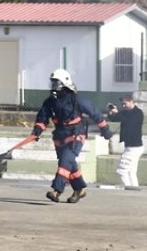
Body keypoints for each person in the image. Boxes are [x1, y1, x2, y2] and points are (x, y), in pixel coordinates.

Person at [31, 68, 112, 203]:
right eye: (52, 83)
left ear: (64, 83)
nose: (53, 86)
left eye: (56, 83)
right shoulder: (50, 101)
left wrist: (105, 129)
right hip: (60, 135)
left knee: (65, 161)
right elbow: (43, 116)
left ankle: (57, 190)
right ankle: (80, 189)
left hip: (76, 134)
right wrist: (38, 130)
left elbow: (94, 112)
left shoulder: (76, 99)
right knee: (69, 164)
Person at [107, 94, 145, 189]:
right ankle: (134, 189)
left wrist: (118, 112)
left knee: (121, 171)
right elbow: (114, 119)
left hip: (134, 147)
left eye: (125, 103)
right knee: (131, 171)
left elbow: (128, 121)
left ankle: (128, 189)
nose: (123, 106)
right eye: (122, 104)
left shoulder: (138, 113)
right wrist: (112, 112)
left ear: (131, 101)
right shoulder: (125, 112)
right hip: (131, 146)